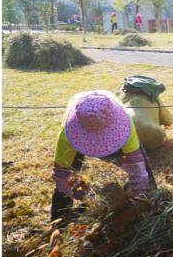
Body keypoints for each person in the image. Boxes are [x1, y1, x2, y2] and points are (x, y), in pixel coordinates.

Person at [51, 90, 153, 224]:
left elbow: (135, 160)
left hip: (111, 117)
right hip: (80, 123)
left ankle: (152, 197)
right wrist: (75, 191)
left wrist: (139, 192)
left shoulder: (125, 123)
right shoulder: (67, 134)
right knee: (62, 190)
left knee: (144, 171)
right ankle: (59, 220)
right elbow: (61, 173)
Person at [119, 75, 173, 151]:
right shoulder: (153, 97)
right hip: (148, 134)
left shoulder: (121, 95)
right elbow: (168, 119)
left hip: (122, 140)